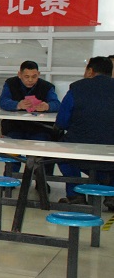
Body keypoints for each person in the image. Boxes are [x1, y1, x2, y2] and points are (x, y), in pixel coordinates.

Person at [55, 56, 114, 207]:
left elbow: (62, 121)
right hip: (110, 152)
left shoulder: (77, 88)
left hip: (78, 149)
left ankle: (75, 195)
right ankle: (111, 194)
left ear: (90, 71)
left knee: (61, 152)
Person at [0, 60, 60, 142]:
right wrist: (17, 105)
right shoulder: (10, 83)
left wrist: (47, 106)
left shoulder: (47, 86)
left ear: (38, 74)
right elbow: (3, 101)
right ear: (19, 74)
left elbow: (57, 104)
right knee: (13, 141)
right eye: (26, 77)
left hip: (40, 128)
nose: (30, 80)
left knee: (40, 141)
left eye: (34, 76)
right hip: (14, 126)